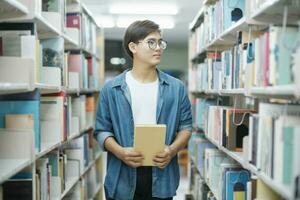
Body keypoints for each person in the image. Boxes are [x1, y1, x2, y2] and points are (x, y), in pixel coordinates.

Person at [94, 20, 192, 200]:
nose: (158, 48)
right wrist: (120, 152)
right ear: (133, 47)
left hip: (162, 175)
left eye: (160, 42)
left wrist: (171, 150)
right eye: (151, 42)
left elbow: (186, 127)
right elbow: (102, 131)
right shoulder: (112, 89)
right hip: (122, 177)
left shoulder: (176, 88)